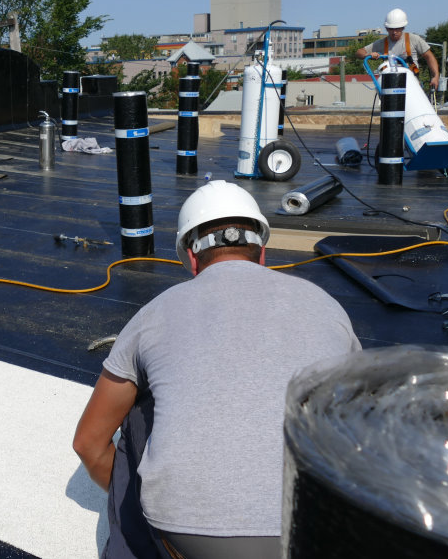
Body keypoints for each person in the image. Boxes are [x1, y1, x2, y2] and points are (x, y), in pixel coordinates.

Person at [72, 181, 361, 558]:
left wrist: (140, 504)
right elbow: (364, 416)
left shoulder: (155, 314)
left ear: (191, 258)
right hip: (320, 531)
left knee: (139, 411)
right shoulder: (327, 307)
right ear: (262, 253)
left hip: (189, 538)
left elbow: (89, 443)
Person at [355, 8, 441, 91]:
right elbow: (359, 52)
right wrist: (368, 55)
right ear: (386, 28)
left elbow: (429, 57)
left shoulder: (414, 39)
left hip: (412, 85)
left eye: (397, 28)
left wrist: (436, 76)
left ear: (403, 27)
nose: (394, 32)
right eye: (391, 29)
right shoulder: (382, 43)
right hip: (390, 85)